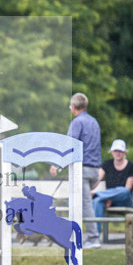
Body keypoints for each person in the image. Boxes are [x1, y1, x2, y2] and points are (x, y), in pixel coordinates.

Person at [50, 92, 102, 249]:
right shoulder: (94, 122)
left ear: (73, 107)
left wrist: (57, 164)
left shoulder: (77, 122)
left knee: (85, 205)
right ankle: (72, 235)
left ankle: (93, 238)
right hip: (94, 170)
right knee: (77, 203)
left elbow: (69, 145)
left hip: (82, 170)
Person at [91, 139, 133, 237]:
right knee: (97, 201)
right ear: (112, 152)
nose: (118, 153)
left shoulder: (131, 166)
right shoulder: (107, 164)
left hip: (124, 200)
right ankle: (95, 236)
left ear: (124, 152)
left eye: (120, 151)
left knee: (124, 191)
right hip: (107, 199)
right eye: (116, 150)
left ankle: (98, 194)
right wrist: (90, 189)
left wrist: (109, 198)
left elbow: (128, 188)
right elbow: (97, 179)